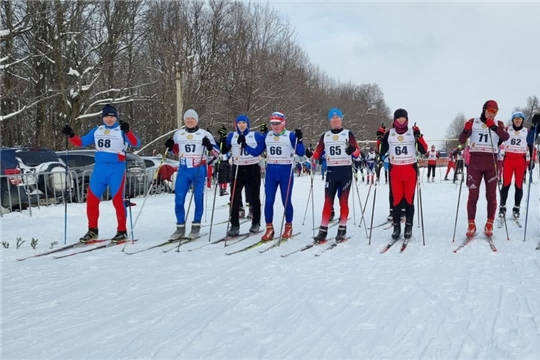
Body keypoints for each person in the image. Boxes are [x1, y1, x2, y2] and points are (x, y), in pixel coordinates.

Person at [61, 104, 141, 242]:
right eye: (106, 116)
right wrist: (71, 135)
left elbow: (136, 144)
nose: (109, 119)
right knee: (91, 201)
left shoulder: (121, 130)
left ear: (116, 117)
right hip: (99, 170)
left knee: (117, 201)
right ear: (103, 117)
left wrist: (128, 132)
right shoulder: (97, 130)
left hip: (116, 170)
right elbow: (81, 143)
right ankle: (92, 230)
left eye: (112, 117)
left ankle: (122, 231)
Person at [243, 111, 305, 241]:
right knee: (269, 201)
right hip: (271, 172)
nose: (275, 126)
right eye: (272, 124)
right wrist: (245, 145)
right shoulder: (268, 135)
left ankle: (288, 226)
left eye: (278, 123)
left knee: (286, 200)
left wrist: (299, 140)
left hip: (285, 172)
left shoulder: (290, 135)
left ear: (283, 123)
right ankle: (269, 228)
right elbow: (256, 152)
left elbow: (300, 152)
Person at [165, 109, 220, 240]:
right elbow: (174, 151)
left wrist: (210, 147)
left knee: (198, 198)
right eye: (187, 118)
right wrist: (170, 146)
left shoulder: (204, 134)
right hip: (183, 169)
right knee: (179, 199)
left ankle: (196, 226)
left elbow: (217, 154)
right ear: (184, 120)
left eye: (192, 119)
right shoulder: (179, 134)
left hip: (198, 169)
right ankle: (180, 227)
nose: (190, 121)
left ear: (197, 120)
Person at [459, 100, 509, 238]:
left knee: (491, 195)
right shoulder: (473, 121)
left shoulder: (498, 123)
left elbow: (506, 137)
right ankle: (471, 223)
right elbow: (462, 140)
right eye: (490, 111)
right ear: (484, 109)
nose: (492, 114)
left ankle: (489, 223)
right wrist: (466, 130)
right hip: (475, 162)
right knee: (473, 195)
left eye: (495, 111)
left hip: (491, 162)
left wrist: (494, 128)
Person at [309, 108, 360, 242]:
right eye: (333, 118)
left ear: (341, 119)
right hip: (332, 171)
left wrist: (353, 150)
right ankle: (323, 230)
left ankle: (342, 228)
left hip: (345, 171)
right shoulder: (325, 136)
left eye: (338, 117)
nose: (335, 120)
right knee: (328, 201)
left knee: (343, 201)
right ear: (330, 120)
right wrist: (308, 153)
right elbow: (317, 154)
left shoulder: (348, 134)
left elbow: (357, 153)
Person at [379, 108, 428, 240]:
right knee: (396, 200)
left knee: (409, 200)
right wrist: (380, 137)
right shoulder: (390, 134)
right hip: (395, 170)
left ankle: (408, 226)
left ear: (407, 119)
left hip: (410, 170)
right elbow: (381, 151)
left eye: (403, 118)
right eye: (398, 118)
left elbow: (424, 150)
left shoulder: (412, 132)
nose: (401, 120)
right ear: (395, 120)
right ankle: (396, 227)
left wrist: (419, 136)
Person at [221, 114, 264, 237]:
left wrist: (265, 132)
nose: (241, 125)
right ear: (236, 124)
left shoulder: (254, 135)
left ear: (247, 124)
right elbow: (223, 150)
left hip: (252, 167)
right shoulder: (232, 135)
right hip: (237, 168)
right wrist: (223, 138)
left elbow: (264, 143)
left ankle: (256, 222)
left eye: (244, 123)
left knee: (254, 196)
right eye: (239, 123)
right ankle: (234, 225)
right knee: (234, 196)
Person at [498, 112, 528, 222]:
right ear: (513, 120)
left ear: (522, 120)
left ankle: (516, 208)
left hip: (520, 160)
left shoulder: (526, 131)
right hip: (509, 159)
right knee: (506, 184)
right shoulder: (507, 129)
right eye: (516, 119)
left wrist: (531, 160)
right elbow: (499, 139)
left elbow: (530, 144)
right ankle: (502, 207)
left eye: (520, 119)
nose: (518, 121)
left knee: (518, 185)